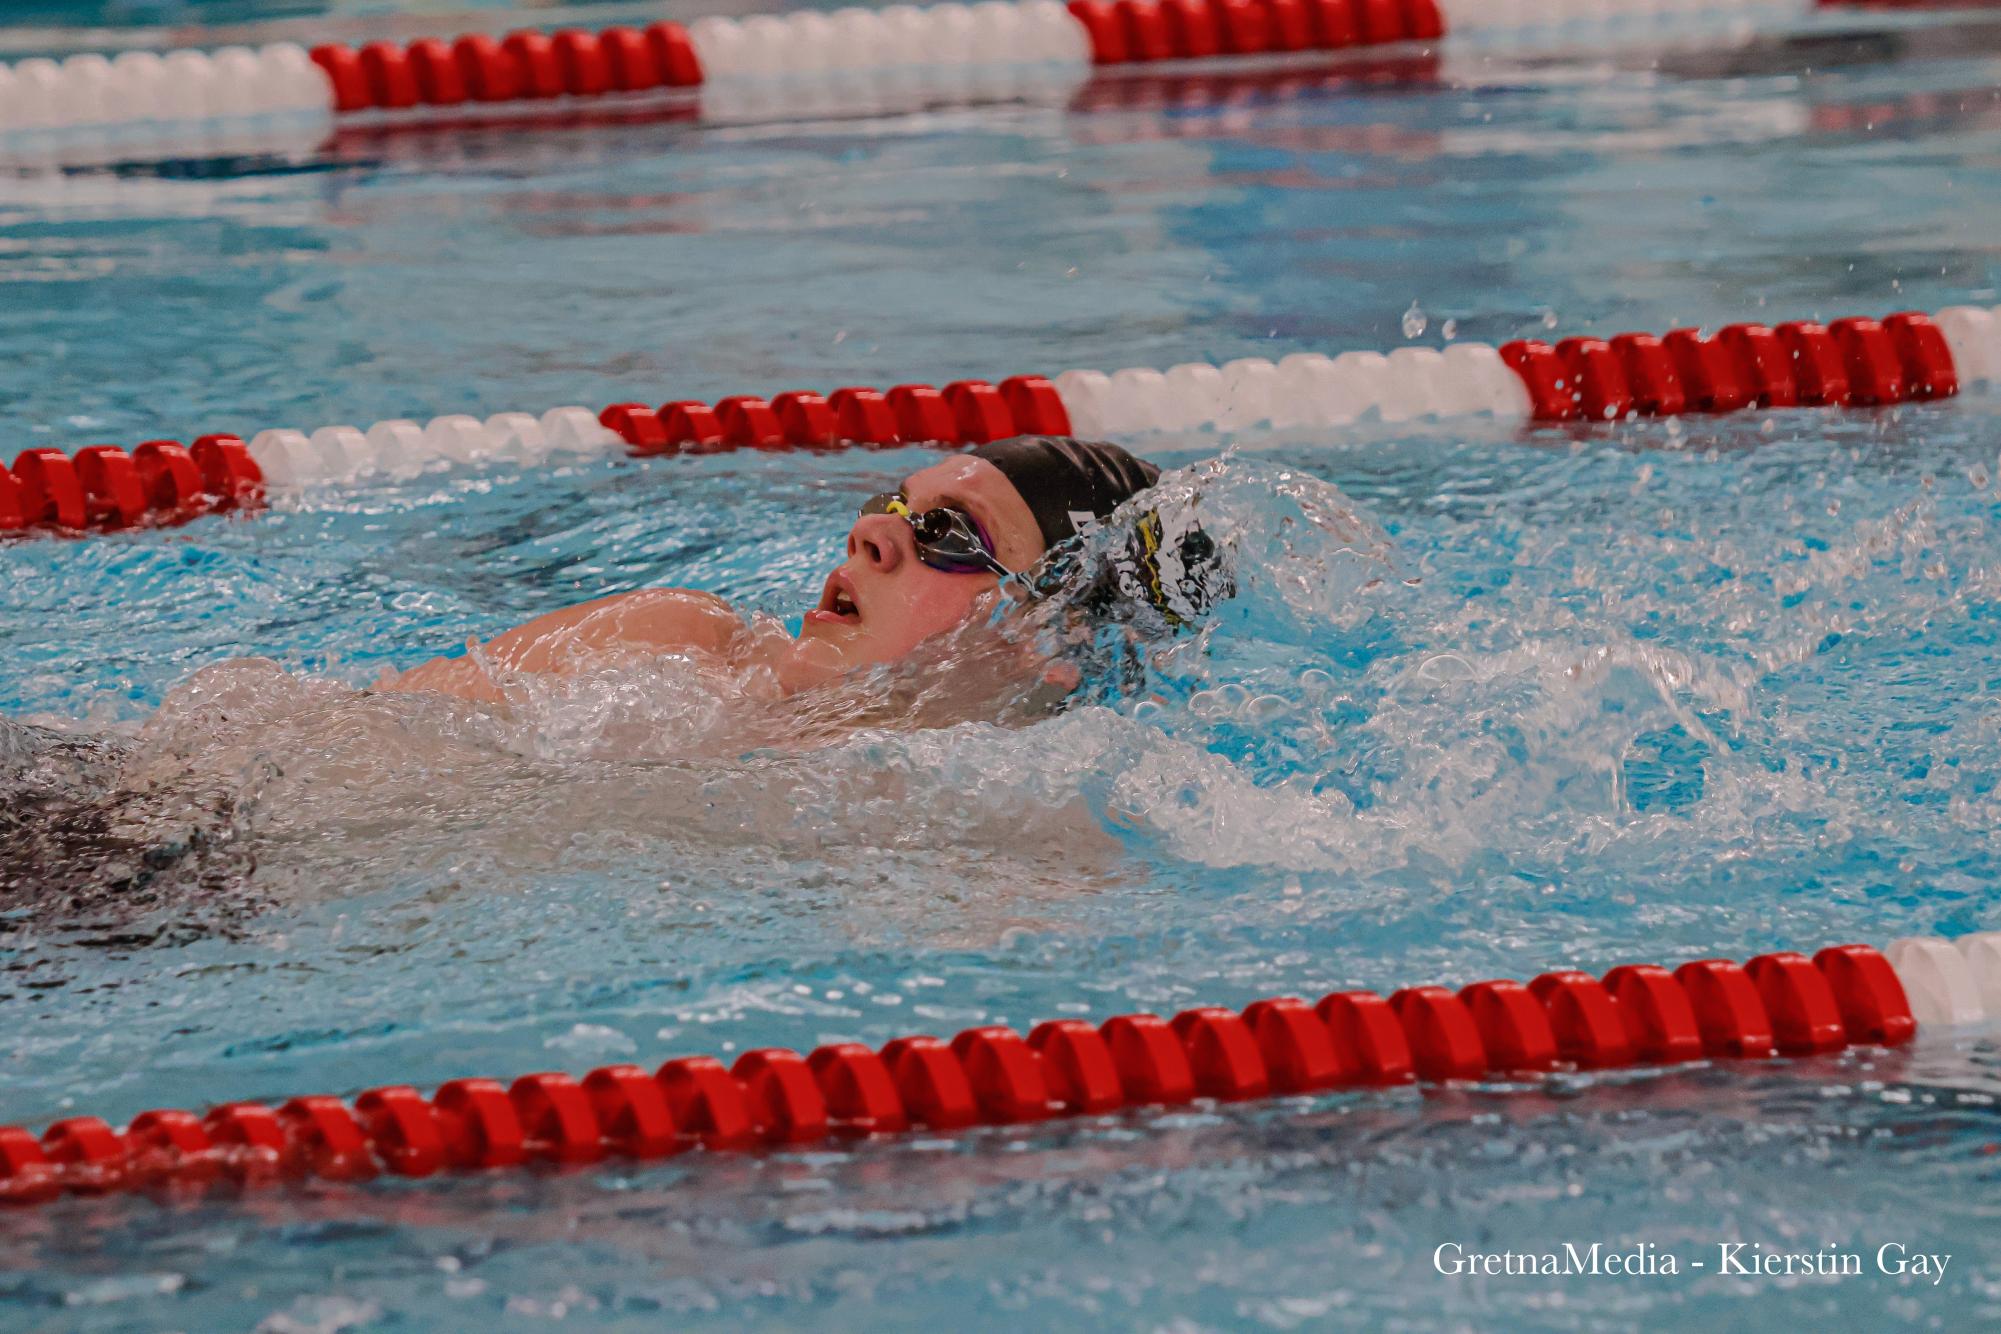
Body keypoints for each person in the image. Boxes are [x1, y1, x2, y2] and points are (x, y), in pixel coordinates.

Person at [380, 437, 1175, 704]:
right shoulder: (673, 644)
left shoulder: (1025, 837)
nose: (870, 532)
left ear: (1048, 640)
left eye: (948, 532)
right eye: (893, 504)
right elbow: (349, 731)